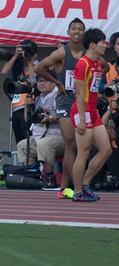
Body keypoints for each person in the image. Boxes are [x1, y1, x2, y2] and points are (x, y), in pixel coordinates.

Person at [34, 18, 93, 199]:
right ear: (68, 32)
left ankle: (64, 187)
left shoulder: (87, 53)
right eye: (74, 29)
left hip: (82, 101)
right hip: (66, 101)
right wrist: (58, 83)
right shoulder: (62, 52)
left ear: (84, 33)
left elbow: (103, 67)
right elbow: (38, 68)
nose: (77, 32)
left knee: (80, 146)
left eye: (81, 29)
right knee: (71, 144)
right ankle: (75, 187)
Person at [70, 28, 112, 202]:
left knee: (106, 150)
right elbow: (79, 93)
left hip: (93, 112)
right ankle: (77, 191)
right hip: (83, 112)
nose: (105, 45)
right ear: (93, 45)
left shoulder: (96, 64)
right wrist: (81, 119)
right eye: (102, 42)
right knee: (83, 152)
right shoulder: (83, 63)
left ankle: (85, 183)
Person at [16, 77, 64, 179]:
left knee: (44, 143)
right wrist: (26, 106)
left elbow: (66, 117)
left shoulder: (59, 96)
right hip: (41, 135)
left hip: (60, 136)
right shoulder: (37, 98)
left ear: (54, 83)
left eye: (45, 80)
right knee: (23, 145)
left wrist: (49, 118)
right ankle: (32, 177)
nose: (42, 83)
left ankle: (49, 177)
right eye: (39, 81)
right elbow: (28, 121)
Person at [0, 40, 37, 144]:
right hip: (16, 108)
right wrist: (16, 56)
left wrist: (29, 62)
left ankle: (33, 161)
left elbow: (32, 81)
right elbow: (4, 72)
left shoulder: (38, 66)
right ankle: (24, 161)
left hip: (29, 107)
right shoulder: (17, 66)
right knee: (21, 143)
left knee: (30, 142)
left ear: (35, 54)